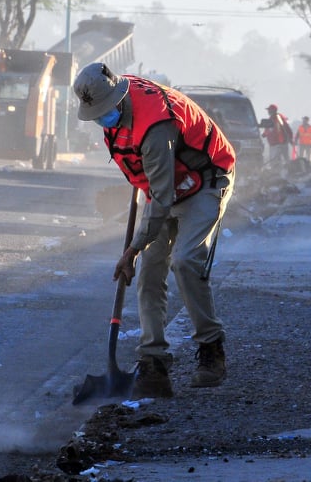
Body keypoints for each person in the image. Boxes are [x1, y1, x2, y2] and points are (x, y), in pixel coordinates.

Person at [73, 63, 236, 397]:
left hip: (205, 179)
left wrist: (132, 248)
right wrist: (139, 251)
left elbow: (161, 200)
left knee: (186, 260)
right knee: (149, 274)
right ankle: (154, 364)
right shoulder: (115, 103)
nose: (102, 119)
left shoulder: (155, 127)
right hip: (165, 185)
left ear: (118, 100)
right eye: (97, 115)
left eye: (105, 113)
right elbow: (152, 184)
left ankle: (211, 349)